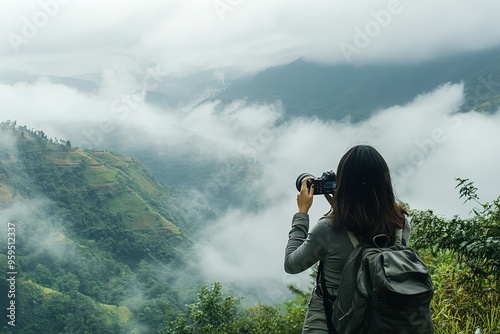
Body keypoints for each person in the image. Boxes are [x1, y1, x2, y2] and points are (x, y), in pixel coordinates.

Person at [284, 144, 411, 333]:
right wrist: (341, 208)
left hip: (329, 323)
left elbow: (292, 264)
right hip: (380, 322)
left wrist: (302, 212)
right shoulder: (401, 223)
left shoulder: (328, 229)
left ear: (343, 182)